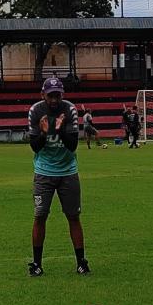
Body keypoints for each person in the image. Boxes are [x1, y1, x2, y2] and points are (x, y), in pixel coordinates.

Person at [27, 77, 90, 276]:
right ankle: (37, 264)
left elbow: (72, 146)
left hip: (67, 171)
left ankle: (81, 262)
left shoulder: (70, 109)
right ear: (43, 94)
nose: (54, 100)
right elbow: (34, 146)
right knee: (40, 217)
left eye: (57, 95)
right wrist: (45, 134)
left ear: (62, 94)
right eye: (50, 95)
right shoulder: (35, 111)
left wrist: (60, 129)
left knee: (73, 216)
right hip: (44, 172)